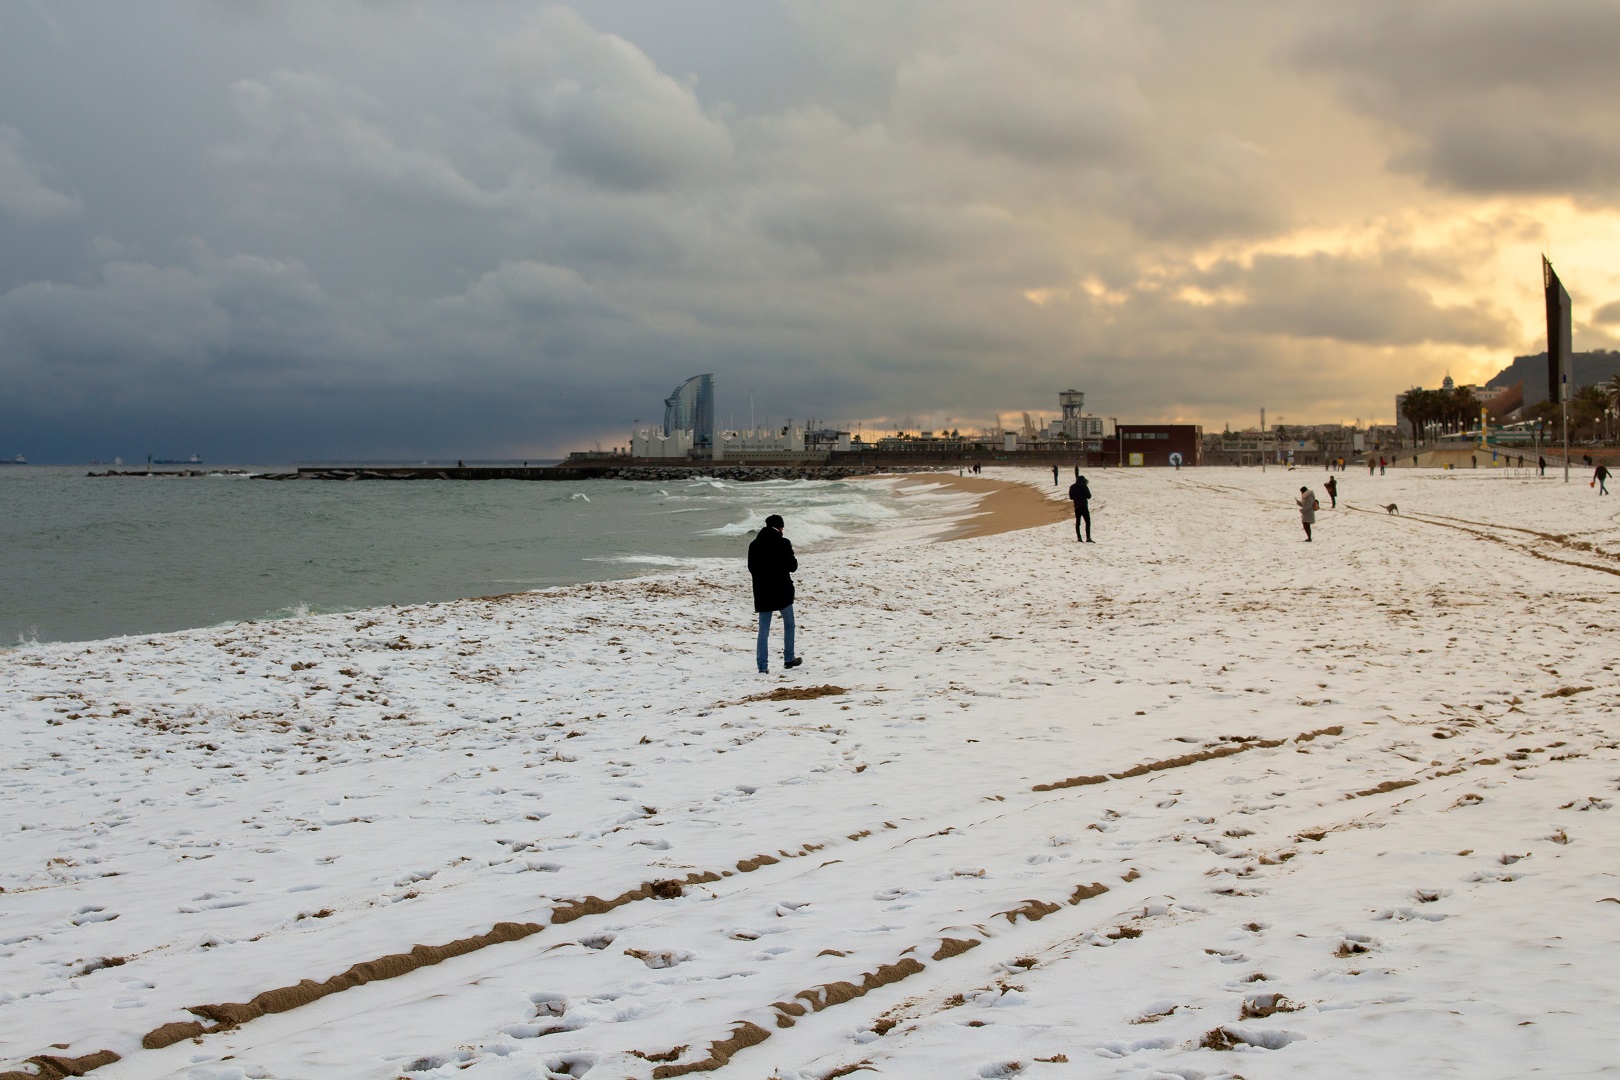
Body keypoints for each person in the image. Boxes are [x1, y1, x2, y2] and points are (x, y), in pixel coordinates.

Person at [748, 514, 802, 673]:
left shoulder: (754, 544)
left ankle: (762, 666)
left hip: (763, 591)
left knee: (763, 630)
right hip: (782, 590)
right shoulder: (784, 543)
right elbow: (793, 567)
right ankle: (789, 658)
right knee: (789, 624)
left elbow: (751, 568)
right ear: (780, 527)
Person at [1068, 474, 1093, 543]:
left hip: (1077, 507)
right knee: (1087, 522)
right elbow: (1089, 496)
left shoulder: (1072, 486)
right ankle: (1088, 538)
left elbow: (1071, 497)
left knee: (1078, 523)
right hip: (1084, 506)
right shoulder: (1084, 486)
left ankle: (1079, 537)